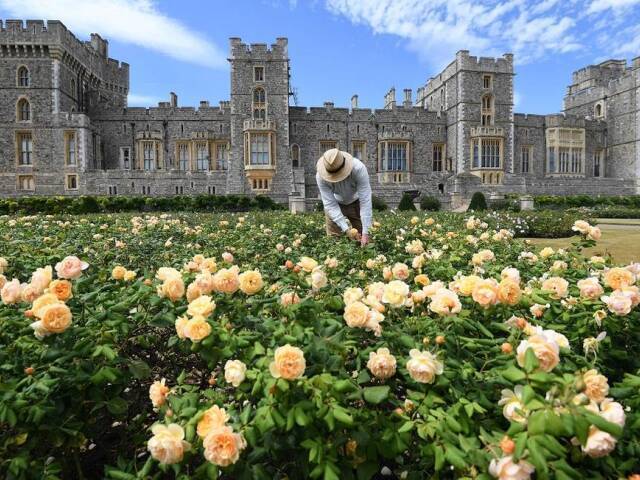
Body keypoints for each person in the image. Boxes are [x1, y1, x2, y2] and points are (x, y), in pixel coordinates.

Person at [316, 148, 372, 246]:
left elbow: (365, 200)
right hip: (335, 203)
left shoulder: (358, 168)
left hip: (356, 202)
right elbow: (330, 204)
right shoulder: (320, 177)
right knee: (333, 241)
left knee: (364, 240)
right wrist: (346, 229)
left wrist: (366, 232)